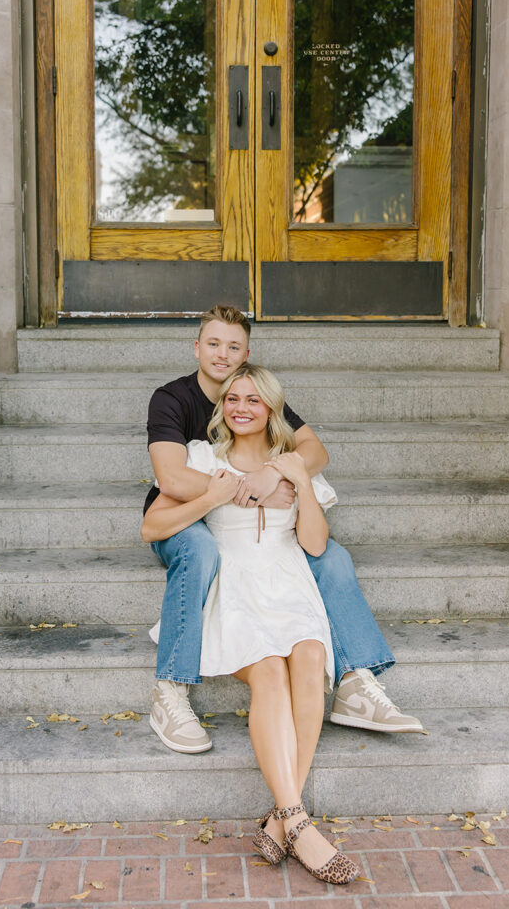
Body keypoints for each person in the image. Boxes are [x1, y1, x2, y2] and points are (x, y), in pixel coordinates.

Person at [144, 304, 423, 756]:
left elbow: (314, 450)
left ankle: (353, 678)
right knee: (201, 552)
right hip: (189, 512)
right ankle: (171, 688)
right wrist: (246, 492)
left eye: (233, 346)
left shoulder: (251, 392)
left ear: (246, 354)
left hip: (253, 516)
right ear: (197, 347)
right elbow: (173, 479)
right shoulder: (172, 399)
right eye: (213, 344)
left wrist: (278, 474)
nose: (222, 354)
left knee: (330, 555)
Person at [141, 364, 359, 885]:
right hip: (235, 584)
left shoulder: (291, 464)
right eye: (233, 398)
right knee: (266, 670)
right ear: (222, 407)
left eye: (253, 400)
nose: (241, 407)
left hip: (287, 581)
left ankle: (283, 819)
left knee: (309, 658)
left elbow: (314, 545)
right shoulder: (202, 459)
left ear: (271, 409)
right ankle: (299, 821)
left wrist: (299, 478)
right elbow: (151, 526)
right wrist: (212, 497)